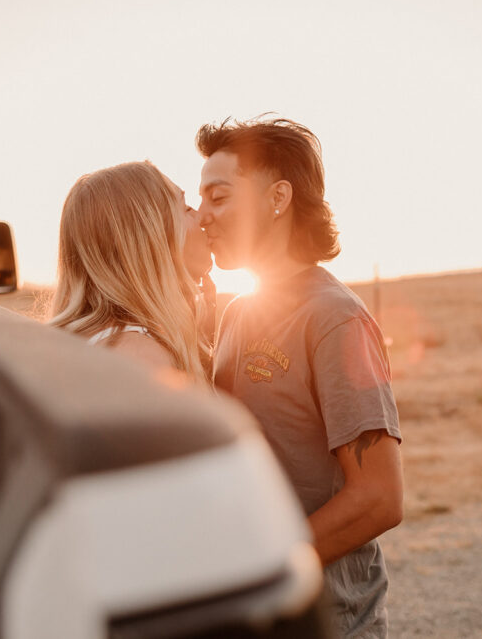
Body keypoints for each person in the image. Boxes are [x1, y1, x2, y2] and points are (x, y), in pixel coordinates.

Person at [196, 117, 403, 638]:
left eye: (218, 197)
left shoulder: (336, 320)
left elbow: (379, 496)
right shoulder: (237, 311)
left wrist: (266, 567)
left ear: (278, 198)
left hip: (330, 620)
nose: (203, 217)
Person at [48, 160, 213, 384]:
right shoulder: (141, 358)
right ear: (153, 240)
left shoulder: (90, 341)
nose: (201, 217)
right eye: (185, 208)